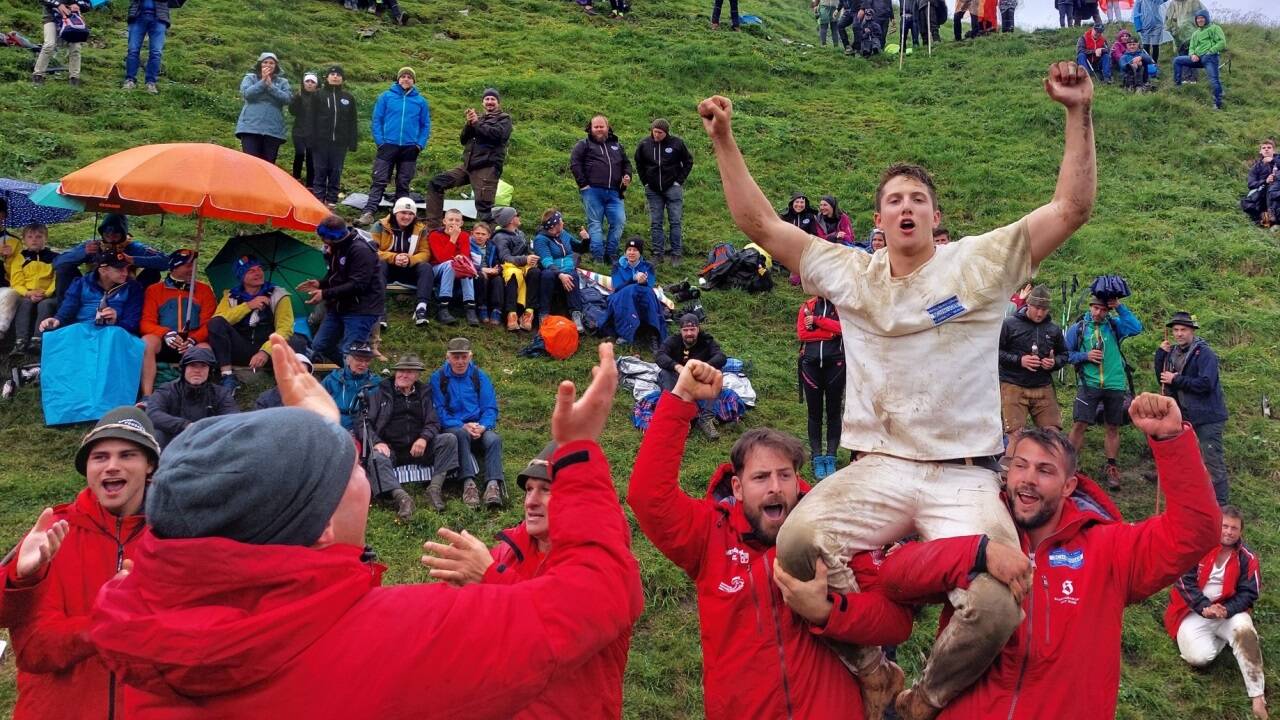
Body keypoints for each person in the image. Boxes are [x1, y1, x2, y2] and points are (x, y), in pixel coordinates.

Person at [696, 58, 1095, 720]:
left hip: (962, 474)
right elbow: (763, 229)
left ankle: (922, 700)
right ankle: (871, 665)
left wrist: (1078, 114)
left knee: (998, 602)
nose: (906, 206)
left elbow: (1072, 207)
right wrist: (723, 138)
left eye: (918, 199)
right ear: (876, 221)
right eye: (894, 200)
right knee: (795, 545)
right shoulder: (852, 272)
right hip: (876, 466)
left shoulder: (980, 262)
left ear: (936, 218)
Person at [87, 336, 644, 718]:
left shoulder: (146, 616)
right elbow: (598, 594)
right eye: (349, 468)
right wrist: (577, 452)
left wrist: (311, 434)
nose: (356, 466)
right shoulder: (401, 639)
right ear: (324, 527)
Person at [881, 394, 1222, 719]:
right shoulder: (974, 526)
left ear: (1069, 486)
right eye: (1020, 466)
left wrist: (1171, 440)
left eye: (1045, 471)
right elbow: (894, 577)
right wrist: (979, 552)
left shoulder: (1109, 549)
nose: (1028, 480)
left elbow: (1197, 531)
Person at [627, 360, 915, 719]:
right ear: (738, 487)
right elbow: (647, 497)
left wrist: (826, 611)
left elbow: (894, 623)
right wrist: (682, 397)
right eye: (761, 477)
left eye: (784, 475)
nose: (775, 487)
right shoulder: (709, 535)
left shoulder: (831, 532)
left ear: (798, 481)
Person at [421, 440, 639, 718]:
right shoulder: (507, 553)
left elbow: (561, 629)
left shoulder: (609, 568)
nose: (530, 501)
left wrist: (490, 578)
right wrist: (460, 596)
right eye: (528, 490)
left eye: (546, 490)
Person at [0, 406, 159, 720]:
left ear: (150, 466)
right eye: (99, 457)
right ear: (87, 468)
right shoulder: (54, 532)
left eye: (128, 455)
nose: (112, 466)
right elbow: (33, 649)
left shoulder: (177, 536)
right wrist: (21, 578)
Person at [1165, 506, 1267, 720]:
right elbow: (1184, 582)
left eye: (1234, 528)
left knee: (1245, 635)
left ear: (1241, 532)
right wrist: (1205, 607)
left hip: (1229, 612)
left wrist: (1227, 609)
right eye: (1225, 526)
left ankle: (1258, 698)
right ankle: (1229, 641)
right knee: (1199, 658)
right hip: (1193, 612)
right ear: (1217, 526)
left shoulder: (1247, 557)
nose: (1229, 531)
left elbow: (1250, 593)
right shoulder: (1198, 547)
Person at [363, 353, 462, 520]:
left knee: (449, 439)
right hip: (391, 448)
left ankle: (434, 489)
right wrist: (378, 442)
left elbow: (434, 422)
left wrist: (424, 438)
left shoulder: (424, 392)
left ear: (417, 375)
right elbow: (364, 423)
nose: (403, 375)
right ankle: (402, 498)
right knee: (376, 457)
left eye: (409, 372)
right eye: (400, 371)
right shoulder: (380, 391)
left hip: (420, 448)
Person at [1065, 294, 1142, 489]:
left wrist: (1119, 307)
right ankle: (1067, 467)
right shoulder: (1079, 328)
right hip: (1088, 384)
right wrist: (1085, 355)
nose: (1099, 313)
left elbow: (1136, 328)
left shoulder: (1115, 325)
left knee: (1112, 426)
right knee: (1079, 424)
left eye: (1103, 309)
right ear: (1090, 307)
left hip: (1115, 384)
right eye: (1095, 308)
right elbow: (1065, 354)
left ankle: (1111, 467)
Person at [1156, 310, 1230, 505]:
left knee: (1212, 459)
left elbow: (1206, 384)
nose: (1179, 334)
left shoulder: (1204, 354)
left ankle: (1221, 504)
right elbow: (1163, 380)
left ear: (1192, 331)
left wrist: (1177, 379)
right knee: (1186, 455)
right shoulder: (1172, 352)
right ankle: (1191, 496)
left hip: (1208, 417)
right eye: (1176, 330)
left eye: (1183, 330)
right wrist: (1160, 355)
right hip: (1185, 414)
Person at [299, 214, 384, 364]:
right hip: (339, 306)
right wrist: (320, 284)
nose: (322, 242)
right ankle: (352, 372)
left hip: (362, 308)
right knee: (321, 345)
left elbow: (358, 284)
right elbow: (336, 276)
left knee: (350, 352)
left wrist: (324, 294)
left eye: (323, 238)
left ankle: (355, 377)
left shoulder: (361, 250)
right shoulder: (337, 247)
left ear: (330, 237)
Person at [430, 337, 504, 509]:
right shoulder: (438, 378)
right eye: (456, 357)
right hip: (455, 426)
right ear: (447, 357)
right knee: (461, 435)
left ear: (470, 356)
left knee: (494, 440)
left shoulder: (479, 375)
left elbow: (490, 407)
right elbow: (438, 411)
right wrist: (461, 424)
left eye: (464, 357)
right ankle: (468, 483)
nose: (460, 362)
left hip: (478, 426)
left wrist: (483, 426)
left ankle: (493, 485)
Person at [424, 88, 512, 229]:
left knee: (485, 210)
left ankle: (492, 243)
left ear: (498, 103)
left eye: (492, 99)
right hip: (468, 166)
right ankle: (433, 228)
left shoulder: (504, 119)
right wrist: (469, 124)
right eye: (487, 99)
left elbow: (498, 136)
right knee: (436, 183)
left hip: (487, 167)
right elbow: (464, 140)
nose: (489, 102)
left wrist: (477, 123)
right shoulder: (480, 118)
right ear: (483, 102)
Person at [208, 255, 303, 385]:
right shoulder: (231, 295)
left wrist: (265, 351)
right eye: (251, 271)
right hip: (241, 347)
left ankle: (287, 379)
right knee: (216, 323)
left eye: (259, 269)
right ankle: (227, 375)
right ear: (241, 276)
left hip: (269, 350)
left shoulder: (279, 295)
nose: (258, 273)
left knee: (296, 341)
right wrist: (248, 306)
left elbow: (285, 328)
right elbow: (219, 319)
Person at [357, 67, 431, 226]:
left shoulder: (420, 101)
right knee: (379, 180)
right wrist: (380, 142)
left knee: (403, 183)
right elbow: (377, 120)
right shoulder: (386, 97)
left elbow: (425, 125)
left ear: (413, 81)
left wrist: (420, 144)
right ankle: (369, 212)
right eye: (403, 76)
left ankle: (400, 215)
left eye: (409, 77)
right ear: (398, 79)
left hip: (410, 147)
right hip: (388, 146)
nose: (406, 79)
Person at [138, 249, 216, 397]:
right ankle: (147, 395)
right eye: (188, 266)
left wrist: (194, 339)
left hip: (192, 341)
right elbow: (146, 322)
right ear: (174, 267)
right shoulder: (154, 290)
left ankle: (198, 395)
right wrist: (165, 333)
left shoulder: (204, 290)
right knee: (147, 342)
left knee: (205, 348)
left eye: (194, 265)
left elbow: (209, 323)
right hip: (165, 340)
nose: (193, 269)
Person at [998, 284, 1067, 439]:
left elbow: (1064, 354)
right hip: (1013, 384)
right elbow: (996, 353)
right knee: (1016, 434)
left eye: (1044, 309)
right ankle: (1013, 462)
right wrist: (1019, 360)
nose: (1040, 313)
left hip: (1043, 385)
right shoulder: (1009, 324)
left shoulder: (1053, 329)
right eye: (1037, 308)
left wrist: (1054, 362)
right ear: (1028, 304)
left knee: (1052, 434)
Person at [53, 214, 167, 302]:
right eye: (107, 233)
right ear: (102, 232)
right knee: (64, 269)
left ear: (123, 233)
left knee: (153, 271)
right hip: (92, 286)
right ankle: (63, 310)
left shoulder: (134, 247)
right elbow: (57, 262)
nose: (111, 237)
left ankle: (138, 305)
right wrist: (83, 253)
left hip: (125, 287)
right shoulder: (93, 245)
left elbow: (166, 262)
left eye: (116, 233)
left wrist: (133, 259)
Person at [145, 346, 239, 447]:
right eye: (193, 365)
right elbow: (152, 413)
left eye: (203, 366)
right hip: (173, 442)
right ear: (184, 369)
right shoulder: (167, 389)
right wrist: (185, 425)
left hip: (208, 442)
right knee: (158, 433)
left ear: (209, 370)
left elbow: (233, 418)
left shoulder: (221, 393)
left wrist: (205, 430)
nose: (197, 370)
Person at [570, 115, 632, 264]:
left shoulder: (617, 145)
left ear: (607, 127)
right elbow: (575, 163)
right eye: (595, 127)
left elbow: (627, 164)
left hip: (615, 192)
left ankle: (611, 254)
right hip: (592, 191)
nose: (598, 129)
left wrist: (627, 175)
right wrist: (583, 184)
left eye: (601, 126)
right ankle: (598, 257)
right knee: (595, 224)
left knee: (619, 221)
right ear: (590, 129)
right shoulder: (583, 144)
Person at [655, 313, 726, 439]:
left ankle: (706, 418)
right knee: (665, 373)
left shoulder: (706, 340)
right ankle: (681, 417)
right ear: (681, 331)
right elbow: (660, 355)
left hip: (698, 378)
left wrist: (704, 368)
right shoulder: (673, 340)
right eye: (685, 330)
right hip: (677, 377)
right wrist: (677, 366)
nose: (689, 333)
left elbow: (721, 357)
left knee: (717, 375)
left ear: (698, 329)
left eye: (692, 329)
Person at [41, 252, 144, 335]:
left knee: (113, 336)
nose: (125, 273)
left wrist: (116, 322)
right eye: (120, 269)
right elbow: (69, 307)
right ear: (103, 271)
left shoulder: (133, 287)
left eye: (127, 268)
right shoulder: (82, 283)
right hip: (82, 329)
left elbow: (132, 321)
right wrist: (57, 319)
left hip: (115, 332)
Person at [634, 118, 693, 264]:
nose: (657, 135)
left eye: (660, 132)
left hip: (673, 188)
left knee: (675, 221)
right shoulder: (644, 144)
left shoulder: (677, 143)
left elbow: (688, 161)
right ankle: (657, 254)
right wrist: (645, 182)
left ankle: (676, 254)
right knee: (656, 222)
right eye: (655, 132)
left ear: (666, 132)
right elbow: (639, 163)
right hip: (653, 190)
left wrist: (678, 181)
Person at [797, 295, 843, 480]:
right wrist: (830, 333)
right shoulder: (807, 306)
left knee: (833, 411)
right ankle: (817, 457)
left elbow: (844, 328)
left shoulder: (841, 305)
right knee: (814, 413)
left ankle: (831, 456)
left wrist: (817, 322)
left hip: (836, 364)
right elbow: (802, 334)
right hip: (810, 365)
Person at [371, 196, 434, 327]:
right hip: (388, 268)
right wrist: (393, 257)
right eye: (403, 213)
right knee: (379, 264)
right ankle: (380, 310)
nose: (407, 217)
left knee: (426, 267)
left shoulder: (420, 229)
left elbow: (425, 253)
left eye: (411, 214)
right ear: (395, 213)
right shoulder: (380, 226)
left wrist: (410, 259)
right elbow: (371, 251)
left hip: (408, 268)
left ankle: (421, 308)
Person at [2, 223, 59, 357]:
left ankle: (37, 340)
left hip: (47, 294)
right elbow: (16, 281)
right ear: (24, 240)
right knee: (25, 303)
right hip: (27, 292)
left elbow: (56, 279)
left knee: (46, 305)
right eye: (30, 237)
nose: (34, 240)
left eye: (39, 237)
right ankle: (20, 341)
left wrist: (46, 293)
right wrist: (28, 293)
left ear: (46, 239)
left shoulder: (54, 257)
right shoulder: (20, 257)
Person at [602, 237, 665, 348]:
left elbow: (649, 286)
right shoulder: (617, 266)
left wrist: (643, 282)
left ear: (640, 253)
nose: (631, 253)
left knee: (649, 293)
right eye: (629, 250)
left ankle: (653, 333)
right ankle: (627, 332)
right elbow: (617, 287)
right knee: (629, 291)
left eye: (635, 250)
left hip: (641, 296)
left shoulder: (648, 267)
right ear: (625, 252)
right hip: (620, 297)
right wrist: (633, 279)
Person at [310, 65, 359, 208]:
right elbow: (311, 118)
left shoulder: (348, 98)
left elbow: (352, 121)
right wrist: (310, 138)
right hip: (320, 141)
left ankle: (332, 200)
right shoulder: (318, 95)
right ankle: (318, 198)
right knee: (319, 169)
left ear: (342, 78)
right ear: (327, 77)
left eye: (338, 74)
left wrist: (352, 141)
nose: (335, 76)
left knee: (335, 171)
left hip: (340, 142)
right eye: (332, 74)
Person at [533, 209, 587, 332]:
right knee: (547, 275)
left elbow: (580, 248)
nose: (563, 222)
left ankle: (576, 314)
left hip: (568, 268)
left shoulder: (564, 234)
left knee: (573, 275)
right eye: (561, 220)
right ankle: (544, 314)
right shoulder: (541, 240)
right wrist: (560, 274)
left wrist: (586, 240)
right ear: (555, 225)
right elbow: (547, 262)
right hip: (551, 270)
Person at [236, 52, 292, 163]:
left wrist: (271, 86)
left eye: (271, 63)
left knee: (268, 165)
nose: (268, 65)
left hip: (273, 130)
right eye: (265, 62)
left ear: (276, 66)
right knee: (250, 162)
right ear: (259, 64)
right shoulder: (250, 78)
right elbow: (247, 94)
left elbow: (287, 99)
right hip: (250, 128)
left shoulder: (283, 82)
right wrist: (263, 82)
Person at [492, 206, 541, 332]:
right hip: (508, 267)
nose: (519, 217)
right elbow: (505, 257)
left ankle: (528, 313)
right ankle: (511, 314)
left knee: (535, 272)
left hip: (523, 265)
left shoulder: (520, 233)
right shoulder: (500, 237)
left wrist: (533, 258)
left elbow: (527, 252)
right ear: (510, 220)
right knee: (513, 274)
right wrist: (525, 259)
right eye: (516, 215)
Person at [425, 208, 477, 325]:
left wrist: (461, 258)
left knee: (464, 265)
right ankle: (443, 307)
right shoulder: (434, 235)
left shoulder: (464, 235)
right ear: (444, 221)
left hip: (456, 268)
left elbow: (465, 254)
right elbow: (442, 258)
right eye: (451, 220)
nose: (454, 223)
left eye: (457, 220)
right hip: (437, 268)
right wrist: (453, 238)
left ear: (461, 223)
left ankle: (470, 307)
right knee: (450, 264)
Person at [320, 340, 380, 431]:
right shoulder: (331, 379)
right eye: (359, 360)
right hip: (332, 426)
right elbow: (317, 403)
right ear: (348, 360)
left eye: (367, 360)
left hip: (363, 429)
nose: (363, 364)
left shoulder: (376, 382)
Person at [1173, 10, 1226, 110]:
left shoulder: (1214, 28)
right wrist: (1192, 55)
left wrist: (1210, 51)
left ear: (1206, 18)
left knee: (1214, 80)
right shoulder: (1195, 33)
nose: (1200, 20)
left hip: (1210, 58)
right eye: (1198, 18)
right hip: (1197, 58)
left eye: (1202, 18)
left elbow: (1222, 42)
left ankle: (1218, 104)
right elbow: (1192, 47)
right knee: (1177, 61)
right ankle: (1177, 87)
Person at [123, 0, 178, 93]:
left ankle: (151, 83)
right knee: (133, 50)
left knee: (156, 52)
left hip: (159, 18)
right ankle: (130, 80)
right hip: (138, 16)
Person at [31, 0, 84, 86]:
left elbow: (87, 5)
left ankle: (74, 78)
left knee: (76, 47)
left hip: (72, 19)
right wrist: (58, 4)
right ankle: (38, 75)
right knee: (49, 44)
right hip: (50, 18)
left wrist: (77, 5)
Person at [289, 71, 320, 188]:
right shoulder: (298, 95)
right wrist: (296, 99)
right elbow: (292, 111)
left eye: (312, 82)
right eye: (307, 81)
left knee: (311, 157)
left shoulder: (319, 98)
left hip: (313, 133)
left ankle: (310, 184)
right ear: (303, 83)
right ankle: (296, 178)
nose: (310, 84)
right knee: (300, 153)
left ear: (316, 84)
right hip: (299, 131)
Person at [469, 221, 504, 325]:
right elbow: (466, 262)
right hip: (475, 272)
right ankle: (482, 308)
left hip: (490, 272)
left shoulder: (492, 246)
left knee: (498, 279)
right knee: (480, 277)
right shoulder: (467, 244)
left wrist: (497, 269)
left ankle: (496, 310)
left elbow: (498, 262)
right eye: (477, 233)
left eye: (483, 234)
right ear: (472, 233)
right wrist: (482, 269)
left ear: (488, 236)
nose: (480, 236)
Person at [1242, 139, 1280, 226]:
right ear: (1260, 151)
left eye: (1269, 147)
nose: (1266, 149)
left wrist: (1273, 161)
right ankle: (1265, 217)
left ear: (1273, 150)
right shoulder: (1256, 167)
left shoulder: (1278, 159)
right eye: (1264, 148)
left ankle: (1272, 217)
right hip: (1263, 190)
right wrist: (1265, 181)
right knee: (1247, 202)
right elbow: (1251, 184)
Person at [1165, 0, 1206, 81]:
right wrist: (1173, 31)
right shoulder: (1173, 4)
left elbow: (1204, 15)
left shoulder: (1194, 2)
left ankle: (1193, 78)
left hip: (1193, 35)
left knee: (1194, 56)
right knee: (1182, 56)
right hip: (1179, 37)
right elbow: (1167, 19)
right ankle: (1185, 78)